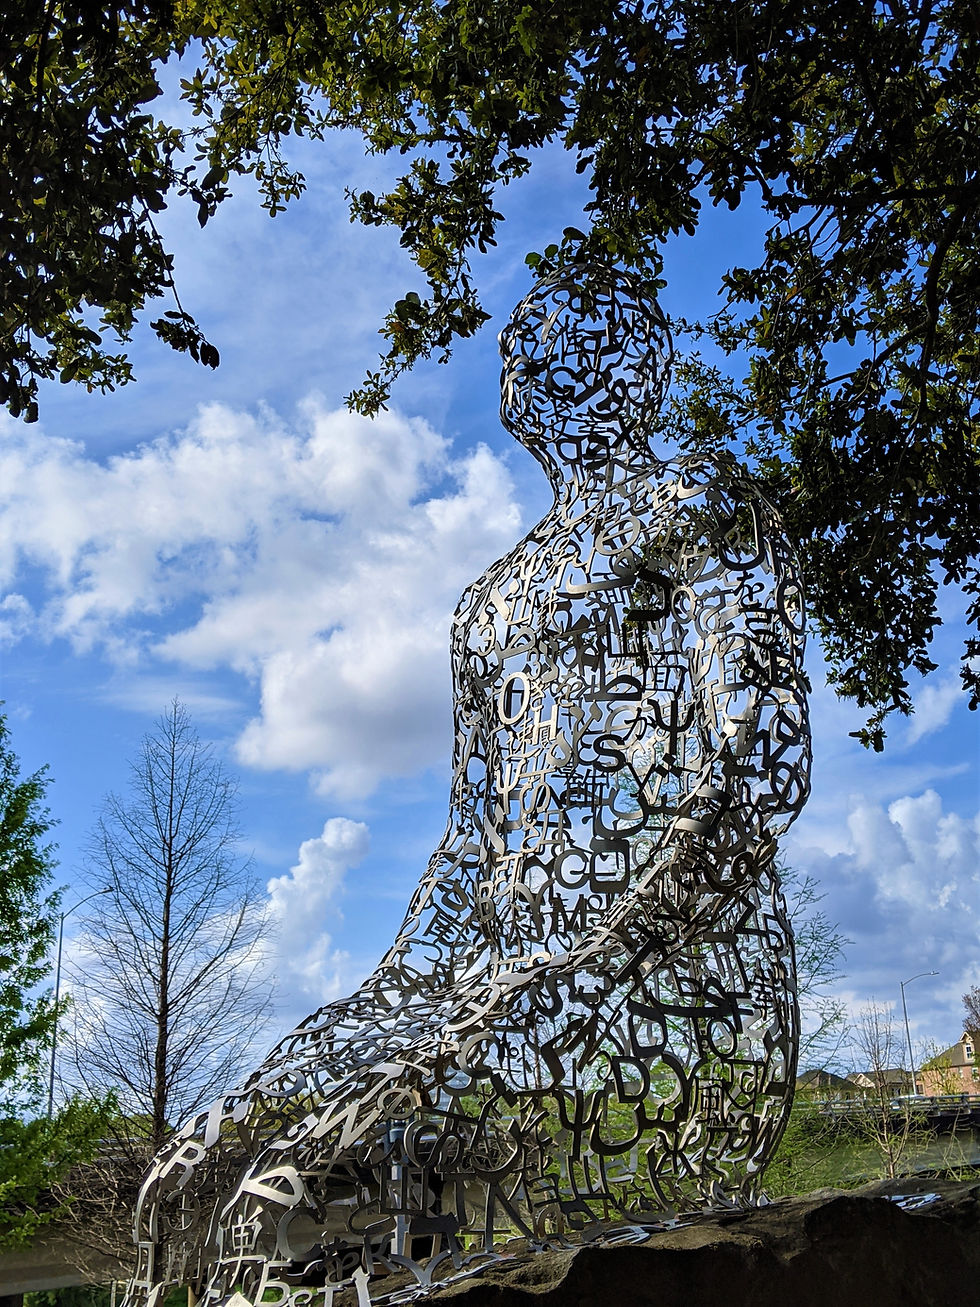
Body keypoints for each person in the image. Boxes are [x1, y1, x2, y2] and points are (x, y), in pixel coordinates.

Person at [127, 265, 810, 1306]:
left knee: (284, 1217)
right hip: (500, 997)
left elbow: (759, 761)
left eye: (596, 340)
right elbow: (464, 860)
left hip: (672, 1002)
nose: (555, 362)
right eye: (532, 348)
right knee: (203, 1170)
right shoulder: (485, 607)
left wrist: (574, 984)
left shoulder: (696, 504)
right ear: (513, 392)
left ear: (651, 370)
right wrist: (302, 1059)